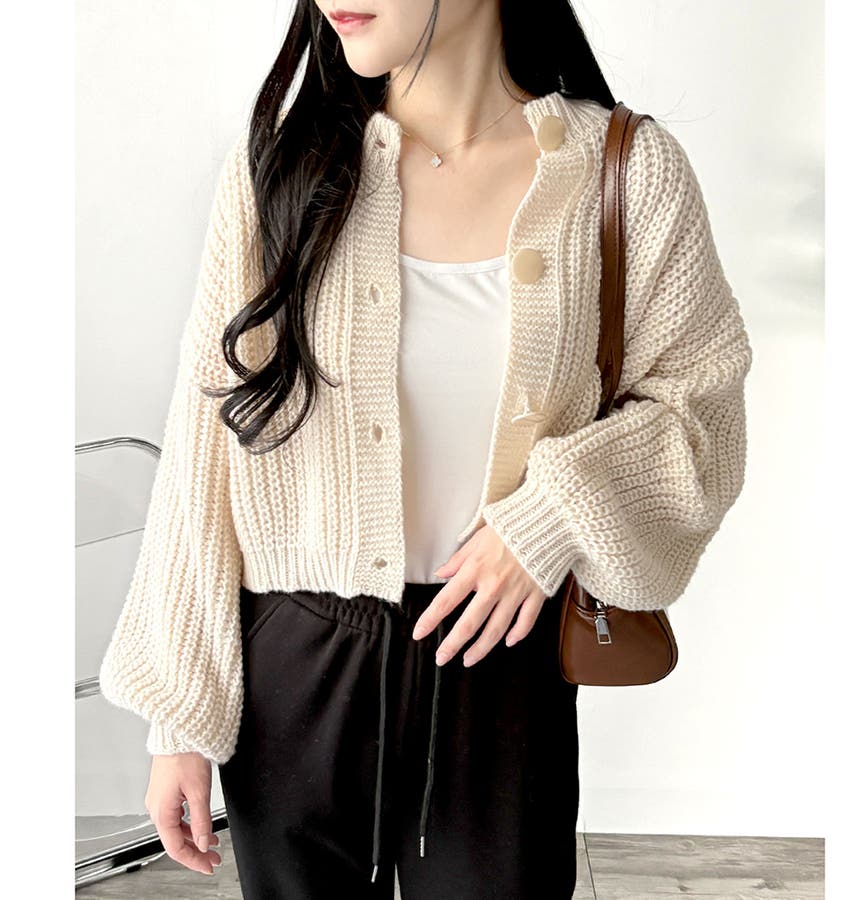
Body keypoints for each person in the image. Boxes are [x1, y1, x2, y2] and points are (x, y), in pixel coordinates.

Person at [98, 1, 753, 898]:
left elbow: (701, 414)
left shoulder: (628, 171)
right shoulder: (283, 169)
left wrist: (549, 517)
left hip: (502, 661)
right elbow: (204, 445)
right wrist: (179, 717)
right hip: (294, 668)